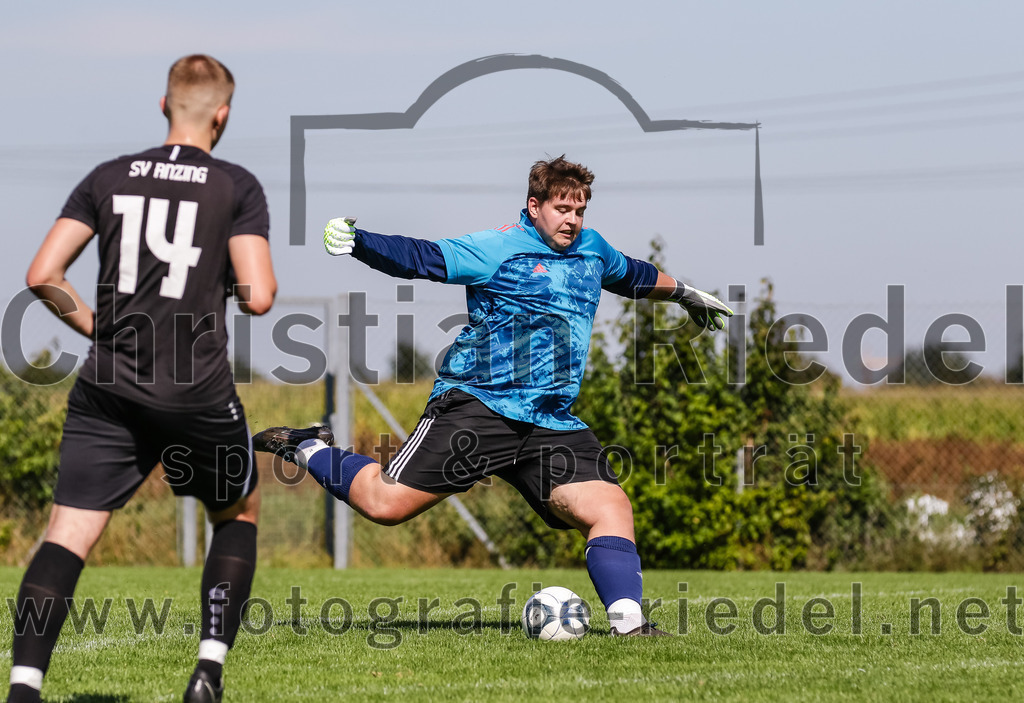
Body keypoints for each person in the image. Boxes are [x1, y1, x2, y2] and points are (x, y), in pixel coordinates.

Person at [254, 155, 731, 637]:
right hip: (479, 407)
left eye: (580, 210)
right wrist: (360, 242)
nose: (572, 220)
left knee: (610, 506)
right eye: (562, 208)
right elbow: (422, 257)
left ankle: (630, 627)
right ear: (534, 205)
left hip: (549, 421)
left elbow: (632, 275)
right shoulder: (497, 247)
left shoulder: (592, 249)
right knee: (385, 505)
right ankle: (307, 445)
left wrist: (685, 293)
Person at [7, 55, 277, 703]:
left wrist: (99, 329)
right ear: (223, 114)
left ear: (163, 106)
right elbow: (260, 294)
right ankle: (208, 670)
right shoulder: (235, 185)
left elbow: (43, 273)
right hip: (197, 388)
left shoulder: (107, 176)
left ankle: (22, 688)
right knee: (238, 510)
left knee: (68, 531)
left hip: (109, 386)